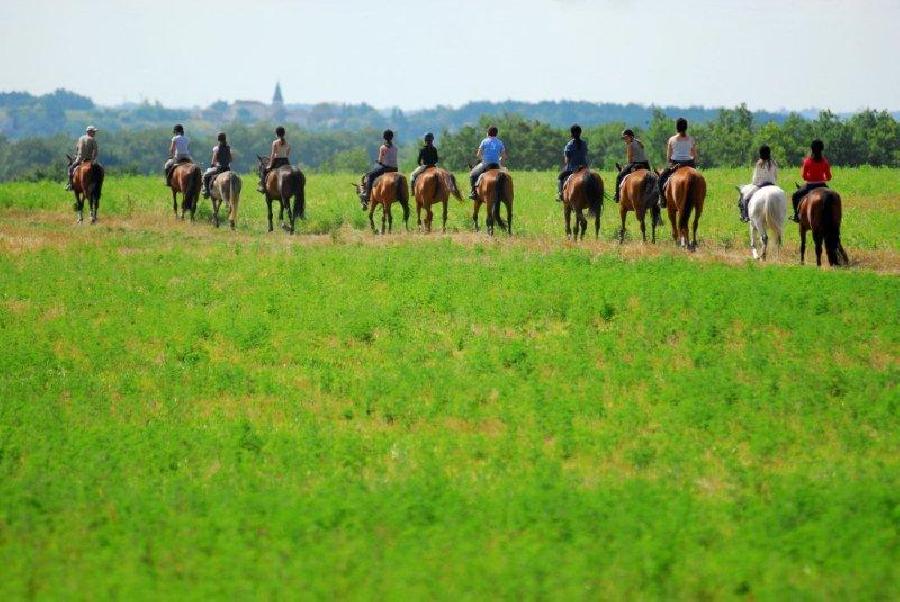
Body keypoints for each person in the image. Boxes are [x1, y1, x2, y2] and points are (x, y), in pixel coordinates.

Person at [657, 118, 698, 207]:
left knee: (661, 179)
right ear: (686, 127)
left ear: (677, 127)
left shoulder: (672, 139)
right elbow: (695, 156)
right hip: (690, 164)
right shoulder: (691, 139)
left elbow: (668, 157)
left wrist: (670, 162)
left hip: (676, 164)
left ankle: (662, 200)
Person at [791, 139, 831, 222]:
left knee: (795, 196)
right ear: (822, 149)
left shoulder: (807, 161)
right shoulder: (825, 161)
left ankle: (796, 215)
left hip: (810, 186)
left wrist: (810, 177)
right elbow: (829, 177)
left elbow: (804, 177)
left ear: (812, 149)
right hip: (822, 185)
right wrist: (822, 178)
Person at [739, 145, 778, 222]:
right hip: (773, 185)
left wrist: (753, 183)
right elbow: (776, 175)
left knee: (746, 197)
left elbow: (755, 179)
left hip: (761, 185)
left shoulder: (759, 164)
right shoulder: (773, 163)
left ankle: (746, 215)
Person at [359, 130, 399, 204]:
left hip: (386, 168)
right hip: (395, 168)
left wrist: (378, 161)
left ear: (384, 137)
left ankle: (367, 194)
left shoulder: (383, 147)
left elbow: (381, 160)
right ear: (392, 137)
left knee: (370, 175)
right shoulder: (395, 148)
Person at [469, 126, 508, 200]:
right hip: (496, 164)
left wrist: (483, 159)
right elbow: (504, 156)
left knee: (473, 174)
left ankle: (473, 192)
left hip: (486, 164)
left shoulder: (484, 141)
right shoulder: (500, 142)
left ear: (488, 133)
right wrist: (501, 162)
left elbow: (478, 154)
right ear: (496, 134)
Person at [613, 128, 650, 203]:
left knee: (619, 176)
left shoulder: (629, 145)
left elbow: (629, 159)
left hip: (635, 164)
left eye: (625, 138)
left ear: (631, 137)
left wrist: (625, 167)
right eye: (624, 138)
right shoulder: (639, 142)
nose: (624, 140)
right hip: (645, 164)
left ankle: (617, 197)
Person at [556, 124, 589, 201]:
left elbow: (567, 161)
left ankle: (560, 194)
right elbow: (585, 155)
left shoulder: (569, 145)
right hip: (584, 168)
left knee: (560, 177)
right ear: (580, 133)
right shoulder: (584, 144)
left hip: (572, 169)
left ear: (571, 133)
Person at [258, 126, 291, 193]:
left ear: (276, 134)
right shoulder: (287, 143)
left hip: (277, 161)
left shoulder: (275, 142)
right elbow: (287, 153)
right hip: (286, 161)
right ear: (284, 133)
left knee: (265, 171)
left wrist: (270, 164)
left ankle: (263, 187)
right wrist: (284, 156)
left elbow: (273, 154)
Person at [65, 126, 99, 191]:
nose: (94, 133)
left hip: (79, 160)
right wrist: (93, 160)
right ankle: (96, 185)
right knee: (97, 171)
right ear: (89, 132)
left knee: (70, 169)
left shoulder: (80, 139)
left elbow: (77, 149)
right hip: (89, 160)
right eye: (93, 132)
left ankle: (70, 184)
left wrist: (77, 156)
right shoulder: (92, 139)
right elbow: (95, 151)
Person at [202, 132, 232, 199]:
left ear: (218, 139)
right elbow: (230, 159)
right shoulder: (228, 148)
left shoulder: (216, 148)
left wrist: (212, 165)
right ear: (225, 138)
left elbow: (214, 160)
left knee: (205, 175)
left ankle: (206, 191)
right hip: (227, 168)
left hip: (219, 169)